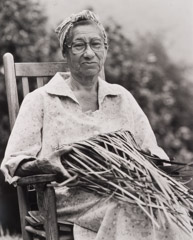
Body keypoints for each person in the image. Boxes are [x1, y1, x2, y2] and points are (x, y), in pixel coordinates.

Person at [1, 10, 192, 240]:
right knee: (131, 208)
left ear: (105, 50)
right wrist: (46, 164)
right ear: (65, 52)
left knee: (167, 207)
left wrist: (154, 172)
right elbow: (13, 163)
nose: (89, 53)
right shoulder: (41, 100)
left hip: (125, 192)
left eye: (95, 44)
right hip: (69, 200)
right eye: (79, 45)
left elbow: (151, 150)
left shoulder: (121, 97)